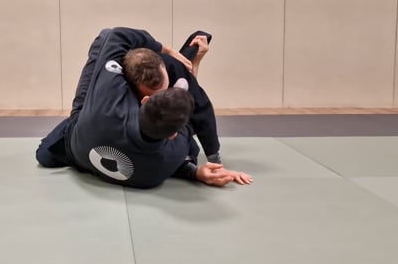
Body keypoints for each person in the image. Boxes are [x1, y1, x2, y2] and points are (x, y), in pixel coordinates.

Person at [36, 27, 235, 188]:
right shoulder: (166, 163)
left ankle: (179, 68)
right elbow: (183, 121)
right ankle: (181, 67)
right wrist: (195, 172)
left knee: (44, 154)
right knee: (173, 76)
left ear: (144, 102)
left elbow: (114, 35)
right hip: (92, 140)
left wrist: (167, 52)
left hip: (80, 135)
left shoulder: (107, 98)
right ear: (174, 134)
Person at [123, 32, 253, 185]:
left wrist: (214, 160)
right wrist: (169, 50)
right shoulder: (120, 78)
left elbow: (201, 110)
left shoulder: (175, 70)